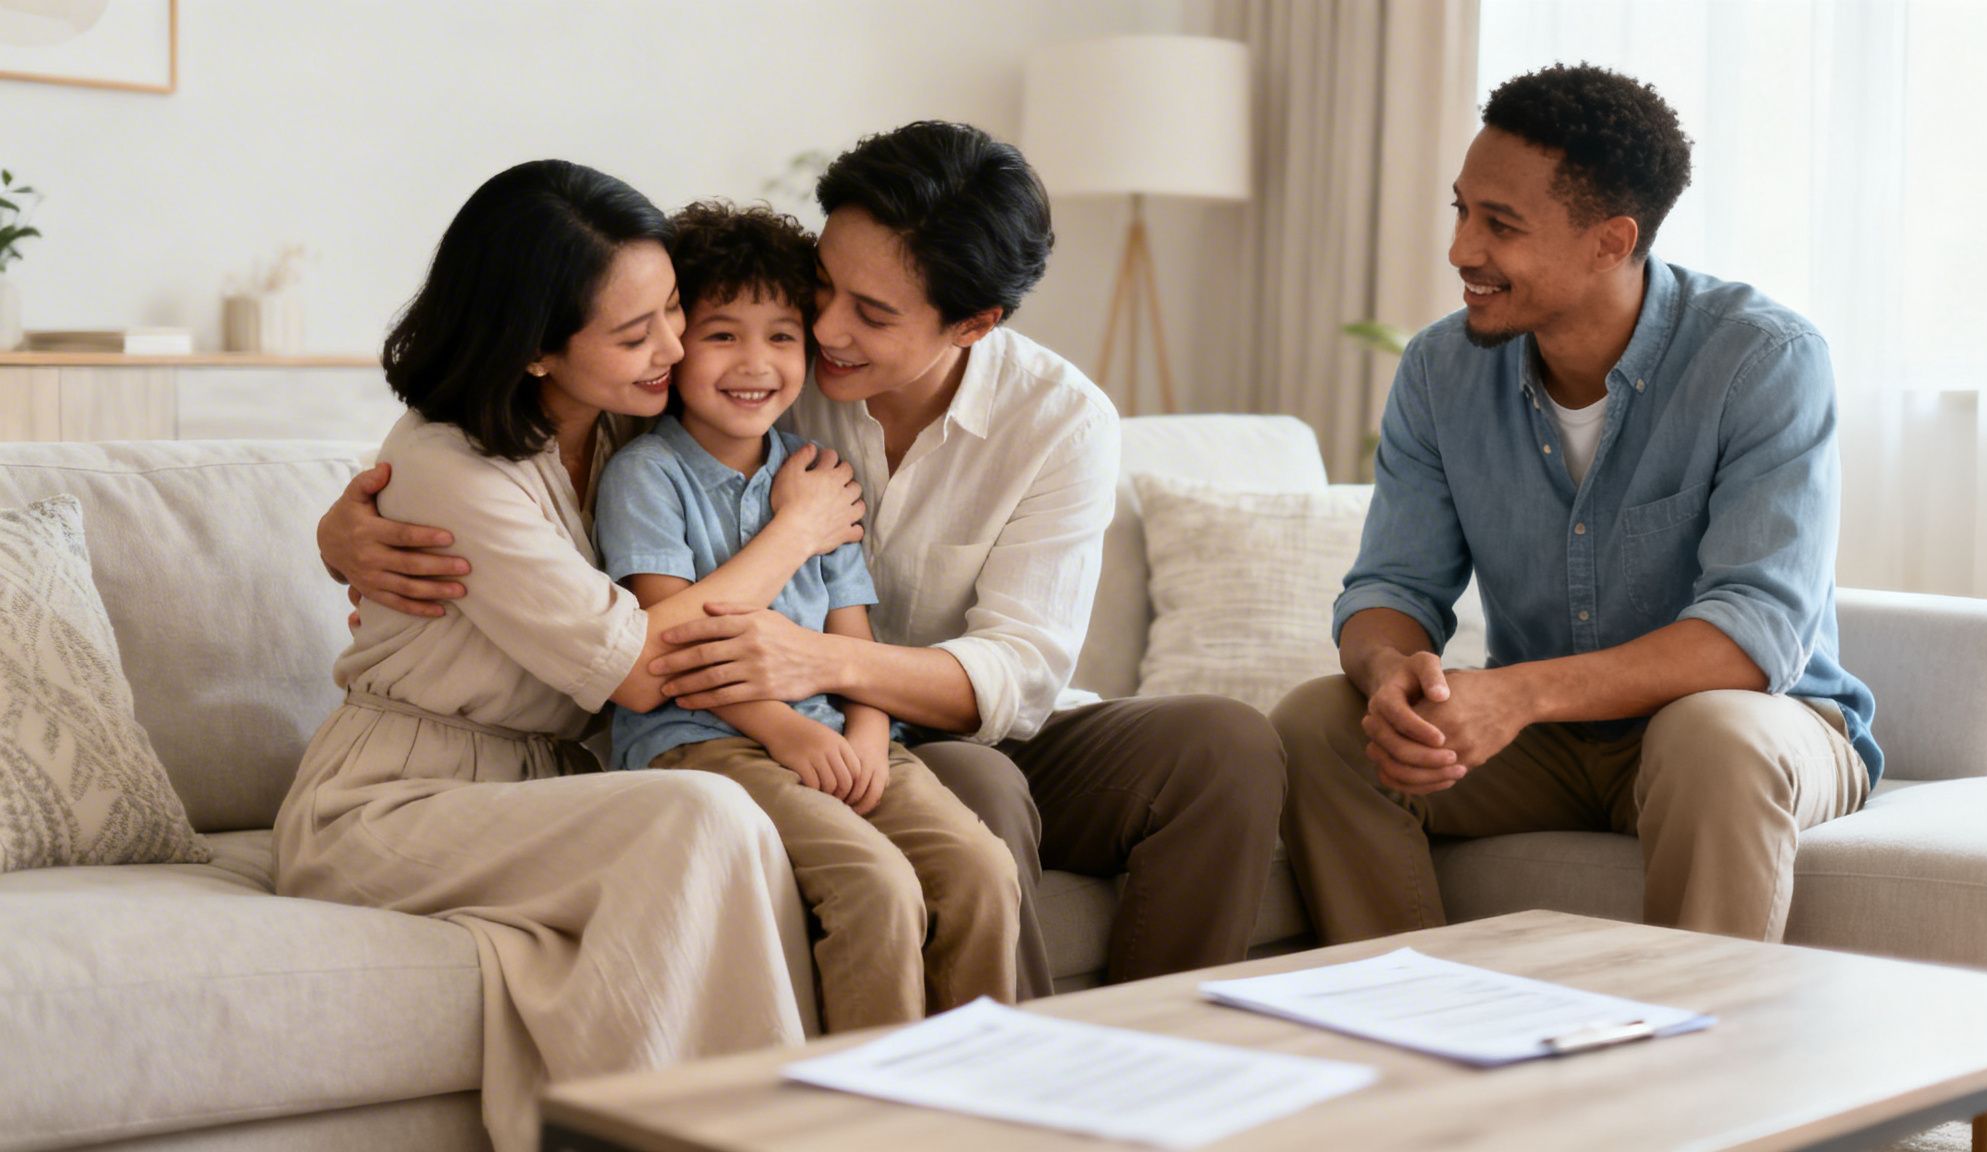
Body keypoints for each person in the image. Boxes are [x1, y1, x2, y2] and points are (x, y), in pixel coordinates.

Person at [318, 122, 1288, 999]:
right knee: (973, 802)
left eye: (869, 313)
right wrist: (348, 527)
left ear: (972, 324)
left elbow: (1023, 670)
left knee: (1224, 745)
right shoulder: (738, 379)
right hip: (756, 721)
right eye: (821, 288)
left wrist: (826, 666)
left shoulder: (1059, 418)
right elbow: (520, 411)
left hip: (925, 709)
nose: (821, 333)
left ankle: (1157, 1063)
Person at [275, 160, 866, 1151]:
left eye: (673, 313)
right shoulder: (447, 463)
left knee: (743, 825)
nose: (673, 348)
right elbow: (638, 666)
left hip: (545, 786)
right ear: (537, 349)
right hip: (387, 804)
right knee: (699, 813)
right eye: (636, 335)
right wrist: (794, 534)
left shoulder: (631, 431)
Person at [1273, 63, 1881, 947]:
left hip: (1758, 726)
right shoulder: (1441, 370)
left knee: (1710, 736)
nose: (1460, 251)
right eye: (1461, 210)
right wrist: (1392, 672)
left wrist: (1517, 694)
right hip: (1555, 744)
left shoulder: (1763, 360)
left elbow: (1754, 635)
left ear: (1610, 241)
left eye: (1500, 225)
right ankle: (1412, 1030)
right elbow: (1392, 586)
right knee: (1320, 724)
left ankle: (1696, 1074)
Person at [594, 200, 1017, 1030]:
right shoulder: (646, 477)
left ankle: (979, 1105)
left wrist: (864, 736)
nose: (755, 362)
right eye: (722, 334)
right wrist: (788, 735)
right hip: (704, 742)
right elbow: (667, 646)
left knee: (982, 872)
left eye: (782, 336)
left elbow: (852, 637)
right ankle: (859, 1119)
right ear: (677, 344)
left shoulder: (819, 472)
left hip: (841, 735)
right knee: (876, 887)